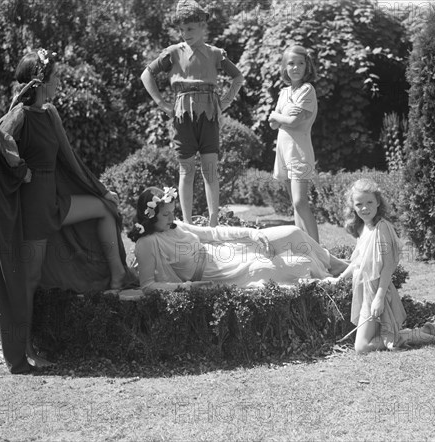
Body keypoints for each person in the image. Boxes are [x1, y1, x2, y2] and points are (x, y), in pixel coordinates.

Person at [0, 49, 136, 374]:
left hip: (56, 200)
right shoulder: (22, 114)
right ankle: (23, 354)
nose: (60, 84)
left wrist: (100, 189)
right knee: (30, 279)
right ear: (40, 82)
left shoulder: (49, 113)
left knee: (104, 209)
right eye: (56, 79)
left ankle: (118, 277)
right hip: (35, 208)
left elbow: (71, 159)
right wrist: (20, 169)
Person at [140, 0, 244, 227]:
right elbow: (146, 75)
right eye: (182, 29)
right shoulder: (173, 53)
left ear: (202, 26)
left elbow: (238, 77)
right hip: (182, 116)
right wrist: (162, 104)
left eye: (190, 28)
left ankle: (213, 222)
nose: (185, 34)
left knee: (210, 169)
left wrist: (225, 102)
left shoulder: (216, 54)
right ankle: (186, 222)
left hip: (209, 115)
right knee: (186, 170)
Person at [128, 187, 348, 293]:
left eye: (172, 212)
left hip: (225, 250)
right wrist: (188, 286)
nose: (171, 218)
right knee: (300, 264)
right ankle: (345, 277)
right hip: (222, 273)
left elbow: (213, 234)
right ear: (150, 215)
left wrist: (251, 233)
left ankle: (342, 267)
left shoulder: (176, 225)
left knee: (293, 233)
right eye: (165, 214)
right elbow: (148, 286)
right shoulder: (147, 243)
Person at [324, 179, 435, 353]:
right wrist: (340, 279)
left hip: (377, 290)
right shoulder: (363, 228)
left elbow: (388, 266)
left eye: (369, 202)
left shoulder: (382, 228)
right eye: (359, 204)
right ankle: (421, 331)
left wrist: (379, 298)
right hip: (365, 290)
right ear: (353, 207)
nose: (365, 208)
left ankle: (409, 336)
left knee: (362, 347)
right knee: (368, 340)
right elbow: (358, 262)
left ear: (378, 202)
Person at [268, 45, 320, 242]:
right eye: (291, 63)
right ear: (284, 67)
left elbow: (292, 121)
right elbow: (273, 124)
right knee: (294, 204)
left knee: (300, 202)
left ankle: (318, 250)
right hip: (283, 152)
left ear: (307, 67)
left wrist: (277, 115)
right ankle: (303, 247)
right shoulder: (284, 93)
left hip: (299, 152)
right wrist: (280, 117)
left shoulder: (307, 90)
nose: (296, 67)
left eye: (300, 63)